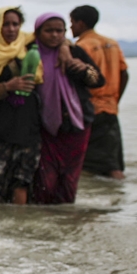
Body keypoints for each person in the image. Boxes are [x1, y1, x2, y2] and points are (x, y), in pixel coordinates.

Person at [31, 12, 104, 204]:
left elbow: (98, 80)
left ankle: (65, 216)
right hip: (44, 127)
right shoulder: (30, 54)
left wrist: (84, 70)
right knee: (46, 180)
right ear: (38, 32)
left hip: (76, 125)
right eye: (49, 31)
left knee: (69, 179)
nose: (55, 35)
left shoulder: (74, 52)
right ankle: (42, 217)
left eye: (60, 31)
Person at [0, 7, 43, 205]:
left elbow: (58, 38)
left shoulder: (28, 46)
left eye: (15, 24)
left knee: (22, 181)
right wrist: (7, 87)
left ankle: (18, 222)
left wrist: (66, 47)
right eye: (5, 24)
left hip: (28, 125)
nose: (11, 29)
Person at [71, 5, 129, 179]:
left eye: (72, 22)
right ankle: (121, 195)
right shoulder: (112, 43)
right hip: (110, 107)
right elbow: (124, 74)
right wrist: (115, 99)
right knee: (111, 161)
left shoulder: (81, 47)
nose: (71, 26)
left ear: (81, 23)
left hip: (90, 108)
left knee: (90, 164)